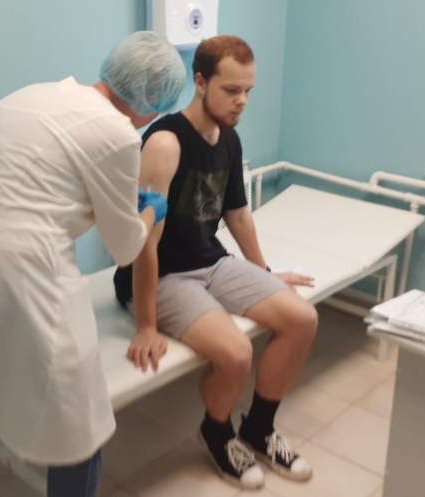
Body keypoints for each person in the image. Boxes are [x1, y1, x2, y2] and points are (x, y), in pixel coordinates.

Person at [0, 31, 186, 497]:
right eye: (160, 109)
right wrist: (151, 210)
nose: (157, 118)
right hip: (30, 279)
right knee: (80, 424)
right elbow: (126, 248)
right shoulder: (118, 134)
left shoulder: (25, 98)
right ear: (150, 100)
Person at [113, 35, 318, 490]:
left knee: (301, 319)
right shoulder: (165, 143)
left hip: (211, 262)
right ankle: (217, 432)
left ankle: (259, 429)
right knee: (236, 354)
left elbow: (237, 215)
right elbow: (144, 243)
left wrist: (263, 274)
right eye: (231, 90)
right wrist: (146, 326)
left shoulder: (229, 137)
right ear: (200, 82)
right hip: (165, 274)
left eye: (248, 91)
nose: (241, 101)